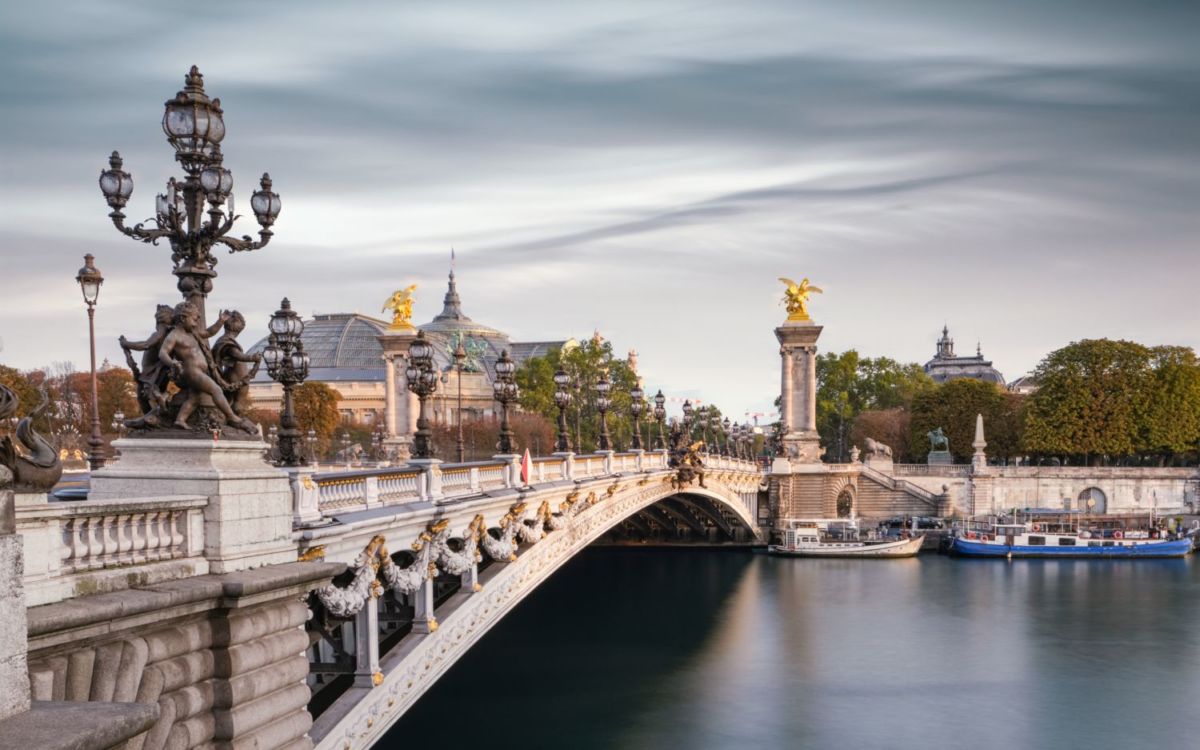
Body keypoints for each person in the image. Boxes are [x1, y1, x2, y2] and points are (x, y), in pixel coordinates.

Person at [159, 302, 253, 432]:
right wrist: (172, 363)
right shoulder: (175, 335)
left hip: (198, 372)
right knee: (216, 390)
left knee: (194, 398)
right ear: (182, 318)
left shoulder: (192, 333)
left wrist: (220, 321)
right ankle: (231, 417)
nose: (196, 323)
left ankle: (180, 420)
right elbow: (163, 352)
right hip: (192, 371)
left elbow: (209, 332)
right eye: (194, 319)